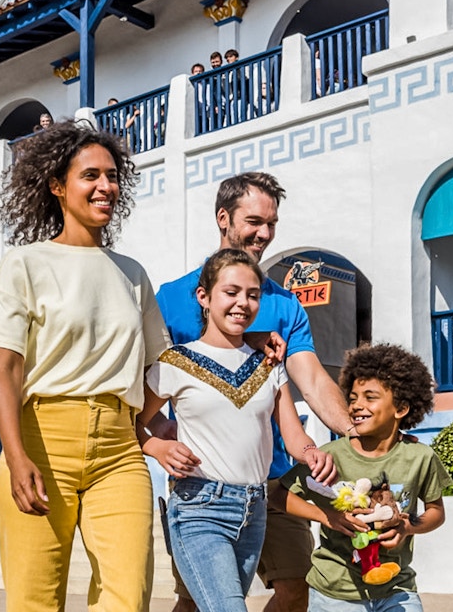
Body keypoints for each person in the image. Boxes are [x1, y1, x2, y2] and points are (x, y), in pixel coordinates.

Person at [0, 120, 169, 612]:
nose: (106, 186)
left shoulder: (132, 275)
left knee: (127, 599)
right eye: (90, 176)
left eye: (112, 175)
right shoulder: (26, 264)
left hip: (119, 453)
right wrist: (16, 457)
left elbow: (160, 368)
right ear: (58, 186)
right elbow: (6, 369)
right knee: (36, 601)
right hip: (40, 441)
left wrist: (137, 426)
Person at [155, 172, 353, 612]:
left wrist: (353, 433)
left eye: (272, 224)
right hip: (203, 487)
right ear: (223, 218)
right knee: (198, 602)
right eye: (254, 221)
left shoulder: (284, 304)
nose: (264, 234)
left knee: (295, 587)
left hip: (275, 482)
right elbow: (144, 393)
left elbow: (313, 378)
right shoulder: (170, 299)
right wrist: (158, 441)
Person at [272, 343, 451, 612]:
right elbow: (277, 495)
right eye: (353, 397)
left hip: (397, 589)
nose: (356, 405)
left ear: (401, 409)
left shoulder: (421, 457)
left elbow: (436, 512)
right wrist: (326, 516)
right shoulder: (330, 456)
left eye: (370, 397)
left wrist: (408, 527)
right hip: (334, 594)